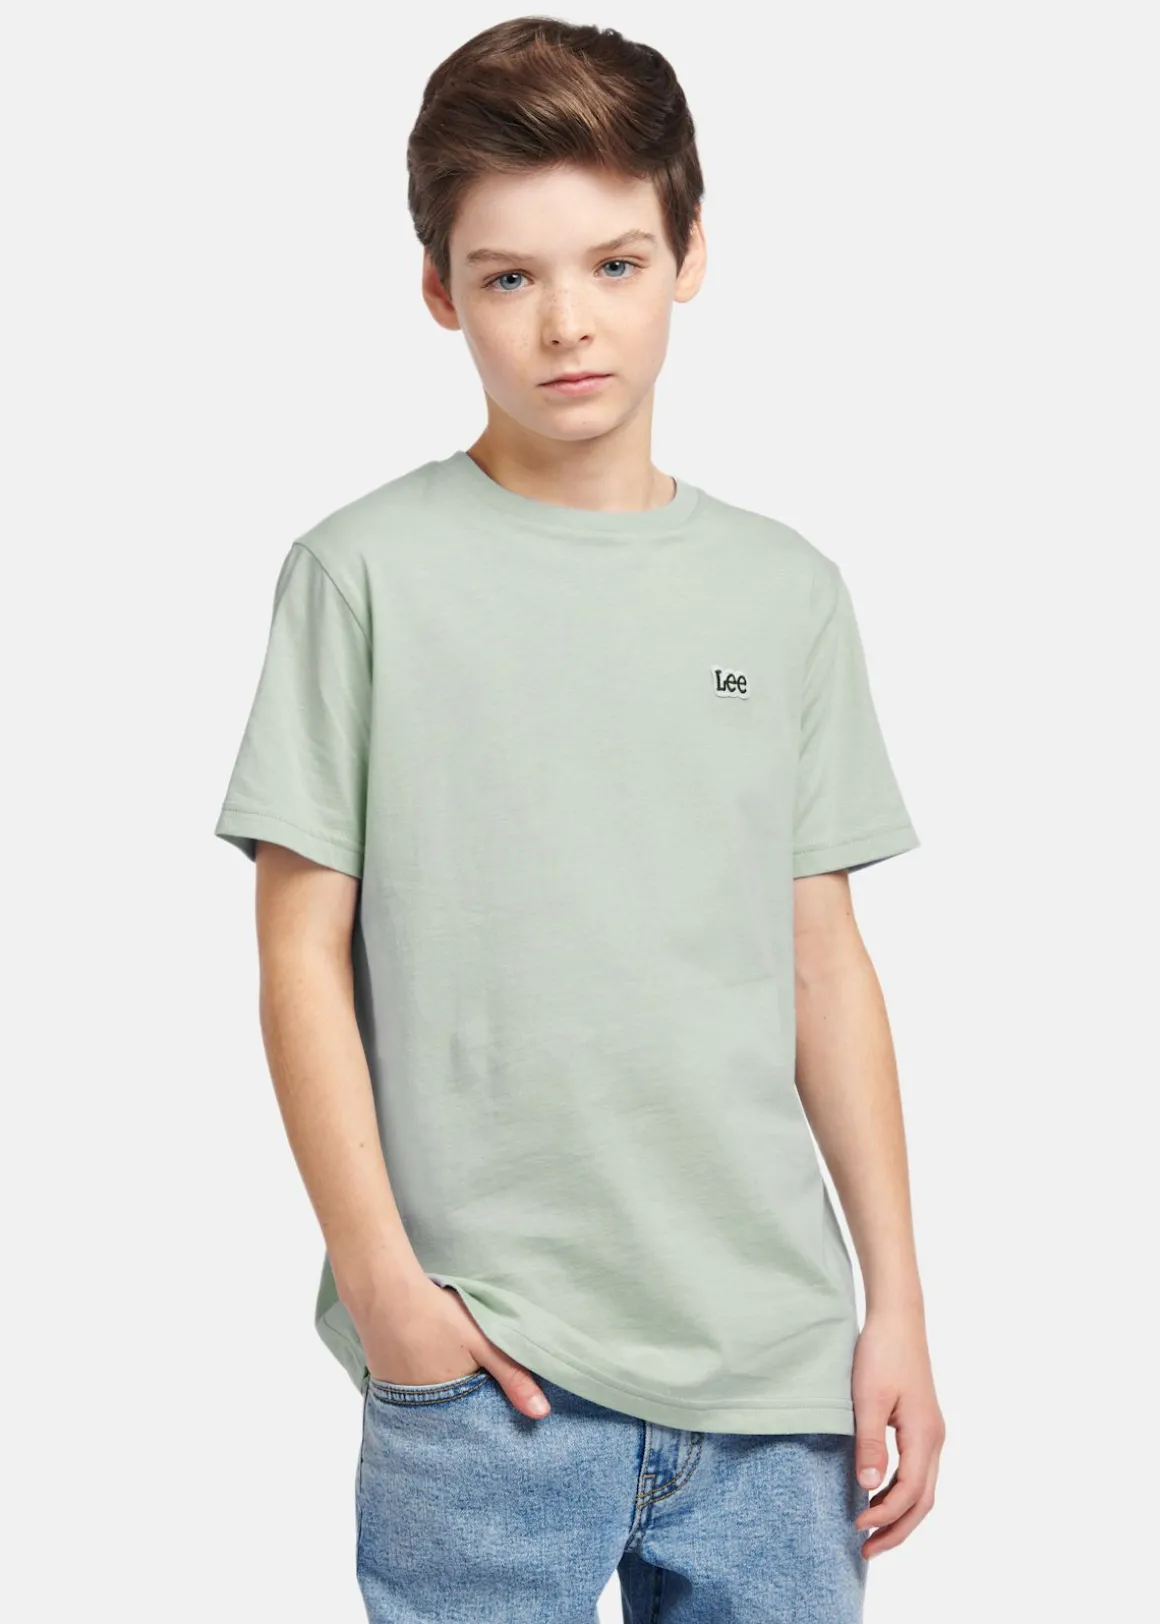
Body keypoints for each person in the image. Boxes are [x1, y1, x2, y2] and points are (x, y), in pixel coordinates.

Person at [213, 15, 944, 1621]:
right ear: (438, 290)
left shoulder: (786, 590)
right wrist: (391, 1297)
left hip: (776, 1382)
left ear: (691, 255)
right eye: (508, 277)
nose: (567, 323)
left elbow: (823, 963)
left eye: (615, 264)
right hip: (488, 1370)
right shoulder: (361, 577)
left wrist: (894, 1306)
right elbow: (297, 958)